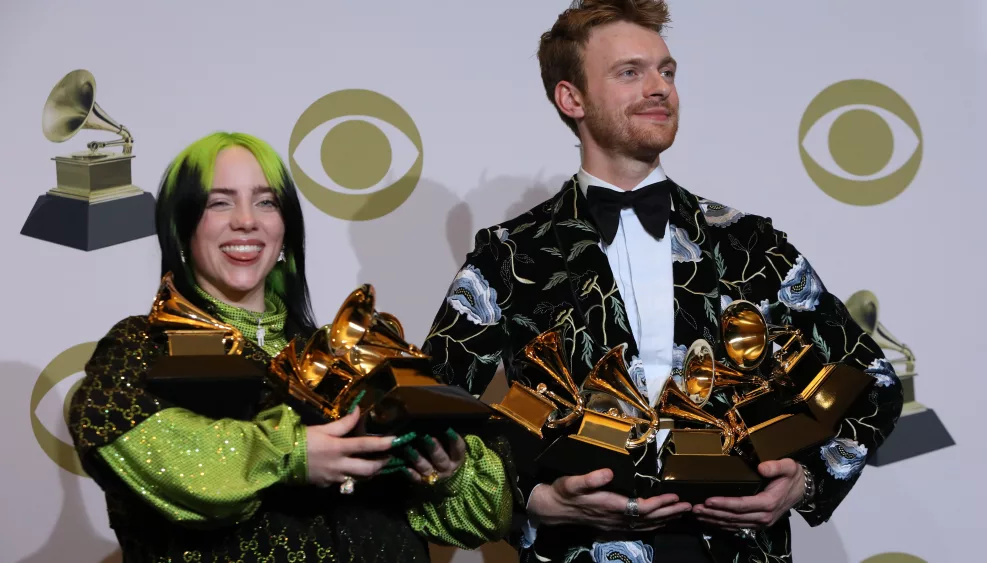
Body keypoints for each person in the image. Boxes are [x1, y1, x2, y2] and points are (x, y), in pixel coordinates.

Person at [420, 1, 903, 562]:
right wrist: (534, 500)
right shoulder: (509, 256)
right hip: (578, 550)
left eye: (666, 71)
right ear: (571, 98)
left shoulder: (749, 245)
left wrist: (806, 482)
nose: (659, 88)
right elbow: (431, 411)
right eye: (630, 72)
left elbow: (872, 381)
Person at [67, 132, 514, 562]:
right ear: (182, 229)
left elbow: (481, 517)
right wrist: (292, 454)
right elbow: (150, 450)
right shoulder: (140, 346)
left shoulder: (350, 352)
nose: (247, 219)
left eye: (266, 202)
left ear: (285, 232)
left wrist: (446, 474)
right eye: (219, 202)